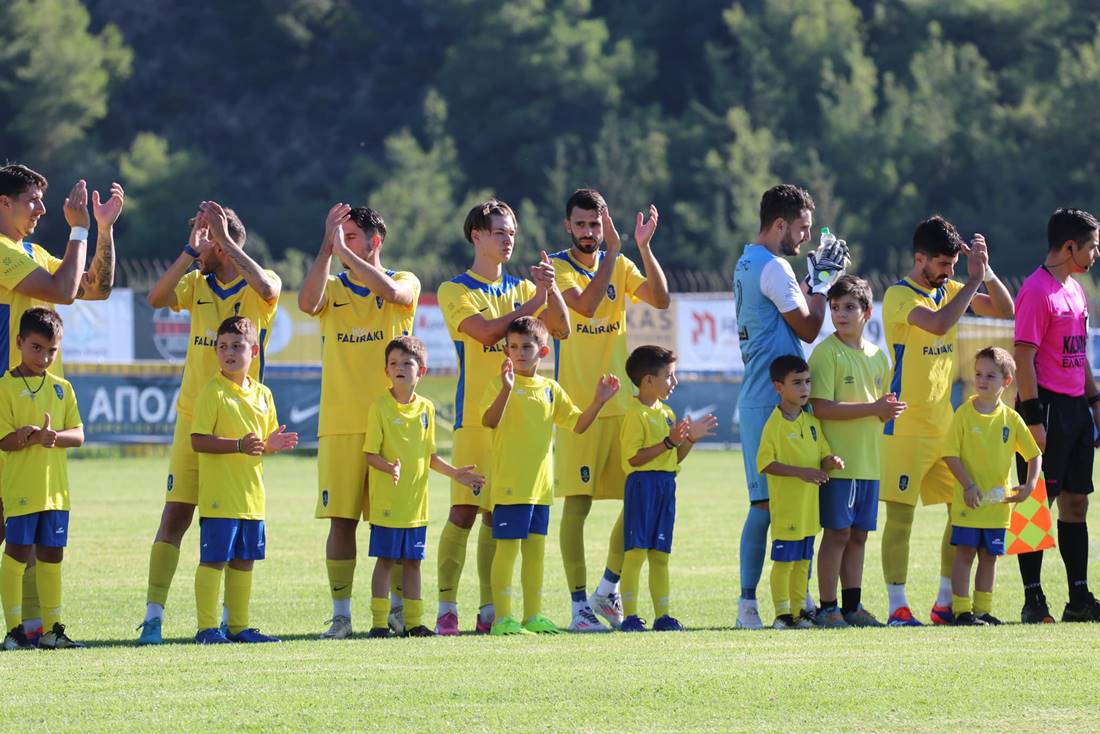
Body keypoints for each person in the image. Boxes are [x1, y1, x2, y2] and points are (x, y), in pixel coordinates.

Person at [137, 202, 281, 644]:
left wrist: (228, 240)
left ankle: (230, 622)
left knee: (235, 527)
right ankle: (154, 616)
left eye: (205, 234)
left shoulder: (259, 284)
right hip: (192, 418)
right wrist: (188, 252)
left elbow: (269, 287)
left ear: (223, 240)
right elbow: (156, 298)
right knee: (176, 514)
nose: (199, 240)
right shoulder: (195, 281)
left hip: (240, 425)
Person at [434, 199, 568, 635]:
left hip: (517, 428)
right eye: (499, 232)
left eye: (511, 233)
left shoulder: (523, 288)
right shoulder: (456, 289)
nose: (508, 239)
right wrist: (533, 303)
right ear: (476, 235)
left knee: (498, 517)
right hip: (475, 417)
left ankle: (492, 611)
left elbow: (561, 328)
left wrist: (551, 292)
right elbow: (487, 333)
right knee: (463, 512)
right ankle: (446, 607)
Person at [0, 164, 121, 642]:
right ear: (2, 203)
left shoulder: (30, 252)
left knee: (31, 535)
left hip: (37, 408)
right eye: (32, 199)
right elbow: (61, 292)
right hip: (5, 405)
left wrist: (103, 232)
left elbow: (96, 287)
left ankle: (33, 629)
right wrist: (77, 228)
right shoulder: (2, 251)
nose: (42, 209)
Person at [878, 215, 1014, 627]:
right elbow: (938, 326)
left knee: (960, 513)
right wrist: (970, 283)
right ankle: (897, 607)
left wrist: (984, 272)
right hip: (903, 424)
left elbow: (1006, 309)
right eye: (943, 265)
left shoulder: (952, 288)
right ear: (920, 258)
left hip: (943, 425)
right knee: (901, 518)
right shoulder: (898, 297)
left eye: (955, 266)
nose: (949, 273)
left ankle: (943, 603)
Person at [550, 188, 670, 632]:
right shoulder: (557, 269)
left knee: (636, 500)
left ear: (605, 225)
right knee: (577, 507)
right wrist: (613, 255)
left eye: (595, 225)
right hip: (578, 407)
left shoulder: (620, 261)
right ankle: (579, 605)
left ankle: (607, 586)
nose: (588, 232)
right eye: (580, 224)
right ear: (568, 225)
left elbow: (661, 299)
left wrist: (642, 248)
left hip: (622, 405)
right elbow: (584, 305)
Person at [299, 205, 420, 639]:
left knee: (399, 521)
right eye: (340, 235)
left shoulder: (404, 279)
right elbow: (306, 302)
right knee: (342, 521)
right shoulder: (332, 287)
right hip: (340, 423)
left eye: (351, 236)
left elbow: (394, 296)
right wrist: (326, 249)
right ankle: (341, 614)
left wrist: (343, 252)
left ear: (375, 242)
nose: (344, 243)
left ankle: (401, 611)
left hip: (394, 425)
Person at [732, 184, 848, 629]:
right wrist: (821, 282)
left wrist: (809, 282)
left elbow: (785, 307)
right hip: (769, 400)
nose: (804, 239)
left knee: (788, 503)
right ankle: (749, 604)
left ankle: (791, 604)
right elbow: (807, 326)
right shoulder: (775, 266)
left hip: (768, 393)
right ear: (779, 224)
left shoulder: (749, 260)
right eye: (800, 228)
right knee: (764, 505)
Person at [481, 317, 618, 635]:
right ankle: (503, 618)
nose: (518, 353)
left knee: (535, 553)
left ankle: (533, 616)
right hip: (510, 485)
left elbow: (578, 425)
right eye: (513, 347)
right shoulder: (500, 383)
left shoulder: (551, 389)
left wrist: (598, 401)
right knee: (507, 550)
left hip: (540, 488)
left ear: (543, 351)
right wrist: (506, 390)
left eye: (526, 347)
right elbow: (489, 420)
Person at [362, 336, 484, 639]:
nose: (400, 368)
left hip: (416, 506)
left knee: (414, 563)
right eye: (393, 363)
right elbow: (369, 453)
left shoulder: (427, 409)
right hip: (389, 504)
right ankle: (379, 623)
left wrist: (456, 473)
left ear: (422, 371)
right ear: (386, 371)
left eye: (407, 363)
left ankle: (415, 622)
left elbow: (430, 457)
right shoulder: (380, 407)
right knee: (386, 561)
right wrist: (388, 467)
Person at [1013, 208, 1100, 623]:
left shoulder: (1076, 290)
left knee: (1076, 502)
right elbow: (1024, 358)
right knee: (1035, 504)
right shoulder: (1035, 290)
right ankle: (1034, 600)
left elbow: (1079, 350)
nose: (1096, 253)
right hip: (1044, 407)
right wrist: (1033, 420)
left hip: (1076, 409)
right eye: (1092, 246)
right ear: (1070, 247)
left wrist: (1094, 399)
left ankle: (1079, 599)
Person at [189, 316, 298, 644]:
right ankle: (207, 628)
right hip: (220, 496)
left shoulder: (264, 394)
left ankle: (238, 626)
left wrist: (271, 445)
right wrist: (237, 445)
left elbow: (262, 443)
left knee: (245, 560)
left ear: (254, 351)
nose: (228, 352)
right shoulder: (213, 392)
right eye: (222, 347)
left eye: (236, 346)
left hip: (252, 497)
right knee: (214, 560)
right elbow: (198, 440)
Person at [807, 275, 900, 627]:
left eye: (849, 307)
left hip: (868, 463)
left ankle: (853, 606)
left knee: (859, 535)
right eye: (834, 308)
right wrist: (873, 409)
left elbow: (880, 406)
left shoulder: (878, 357)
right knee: (837, 534)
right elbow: (820, 407)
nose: (840, 314)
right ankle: (827, 607)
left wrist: (886, 408)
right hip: (838, 463)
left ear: (867, 312)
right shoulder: (827, 353)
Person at [0, 308, 85, 649]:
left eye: (51, 350)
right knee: (17, 553)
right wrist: (26, 437)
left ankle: (53, 629)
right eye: (36, 348)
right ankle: (14, 630)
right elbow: (3, 441)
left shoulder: (63, 388)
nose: (44, 357)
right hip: (21, 489)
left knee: (52, 556)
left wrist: (53, 438)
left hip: (56, 493)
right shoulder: (5, 387)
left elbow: (78, 435)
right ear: (20, 342)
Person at [618, 345, 716, 632]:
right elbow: (633, 458)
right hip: (641, 486)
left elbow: (673, 458)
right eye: (669, 376)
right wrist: (669, 442)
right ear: (648, 380)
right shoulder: (635, 413)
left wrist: (689, 441)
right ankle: (631, 617)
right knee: (636, 553)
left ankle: (663, 615)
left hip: (665, 486)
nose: (674, 382)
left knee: (660, 555)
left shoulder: (668, 413)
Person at [943, 347, 1041, 625]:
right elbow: (950, 454)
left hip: (998, 506)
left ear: (1006, 381)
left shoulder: (1011, 418)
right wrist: (968, 486)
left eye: (990, 375)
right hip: (970, 503)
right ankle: (961, 611)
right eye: (978, 374)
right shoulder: (963, 414)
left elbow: (1034, 454)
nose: (982, 380)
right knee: (964, 554)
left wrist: (1030, 485)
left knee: (990, 557)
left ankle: (983, 611)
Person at [758, 355, 844, 629]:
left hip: (809, 510)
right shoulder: (774, 424)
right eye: (797, 383)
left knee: (803, 562)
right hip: (787, 509)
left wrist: (831, 462)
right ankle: (782, 613)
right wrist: (801, 473)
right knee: (785, 562)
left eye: (807, 382)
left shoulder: (812, 423)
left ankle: (800, 611)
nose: (805, 388)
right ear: (778, 387)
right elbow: (766, 463)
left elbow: (823, 456)